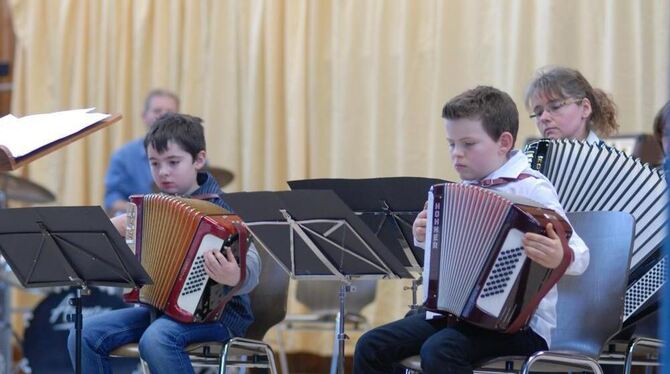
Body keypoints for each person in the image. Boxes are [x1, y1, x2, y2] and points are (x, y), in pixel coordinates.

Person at [353, 86, 589, 374]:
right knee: (371, 345)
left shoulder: (531, 188)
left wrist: (558, 256)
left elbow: (580, 254)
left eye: (468, 144)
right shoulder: (454, 193)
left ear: (504, 142)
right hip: (454, 317)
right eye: (451, 144)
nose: (457, 155)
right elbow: (448, 261)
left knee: (440, 350)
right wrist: (423, 237)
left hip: (519, 327)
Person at [68, 113, 261, 374]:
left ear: (199, 160)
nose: (163, 172)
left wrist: (235, 276)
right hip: (159, 312)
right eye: (155, 163)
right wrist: (111, 233)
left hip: (220, 316)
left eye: (173, 162)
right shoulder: (150, 209)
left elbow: (253, 263)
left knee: (157, 340)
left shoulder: (223, 208)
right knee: (84, 334)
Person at [104, 89, 179, 216]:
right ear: (144, 116)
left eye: (170, 112)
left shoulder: (192, 154)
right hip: (136, 225)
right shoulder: (123, 156)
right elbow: (111, 199)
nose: (164, 116)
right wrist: (141, 210)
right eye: (157, 111)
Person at [524, 66, 619, 144]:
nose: (543, 118)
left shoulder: (608, 161)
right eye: (539, 113)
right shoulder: (533, 161)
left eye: (555, 107)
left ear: (585, 108)